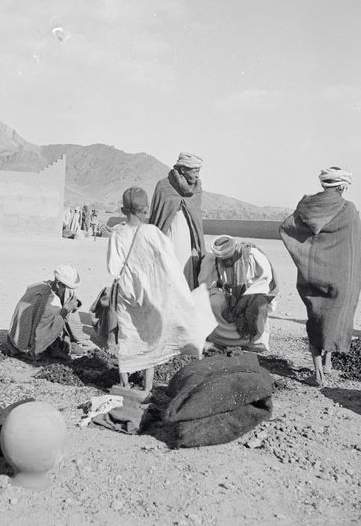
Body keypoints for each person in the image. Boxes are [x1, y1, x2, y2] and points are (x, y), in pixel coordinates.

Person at [107, 187, 216, 394]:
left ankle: (125, 384)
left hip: (127, 292)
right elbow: (168, 262)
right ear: (146, 209)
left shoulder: (117, 233)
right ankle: (147, 387)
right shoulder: (152, 232)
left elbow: (113, 267)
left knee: (127, 334)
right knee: (150, 335)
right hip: (150, 293)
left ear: (123, 210)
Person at [279, 167, 361, 386]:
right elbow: (355, 248)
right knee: (335, 318)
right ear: (342, 186)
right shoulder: (349, 209)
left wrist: (308, 257)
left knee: (317, 319)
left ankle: (320, 371)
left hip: (315, 274)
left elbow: (287, 227)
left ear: (323, 184)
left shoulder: (308, 206)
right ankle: (324, 370)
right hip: (341, 277)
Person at [199, 235, 279, 352]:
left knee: (258, 307)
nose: (227, 262)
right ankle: (220, 339)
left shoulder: (251, 254)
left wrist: (244, 298)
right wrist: (224, 295)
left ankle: (255, 342)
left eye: (229, 258)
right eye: (223, 260)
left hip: (254, 292)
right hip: (227, 293)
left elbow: (265, 280)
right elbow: (208, 286)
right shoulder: (212, 259)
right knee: (213, 303)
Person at [6, 264, 95, 359]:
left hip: (16, 335)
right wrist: (65, 311)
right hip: (26, 341)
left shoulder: (42, 284)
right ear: (58, 284)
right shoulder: (51, 304)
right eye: (68, 287)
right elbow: (40, 335)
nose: (71, 292)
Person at [148, 152, 205, 289]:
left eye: (199, 171)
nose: (197, 175)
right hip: (168, 238)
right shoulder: (164, 186)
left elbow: (196, 217)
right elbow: (158, 215)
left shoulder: (196, 188)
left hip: (188, 239)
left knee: (186, 272)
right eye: (195, 171)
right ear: (183, 169)